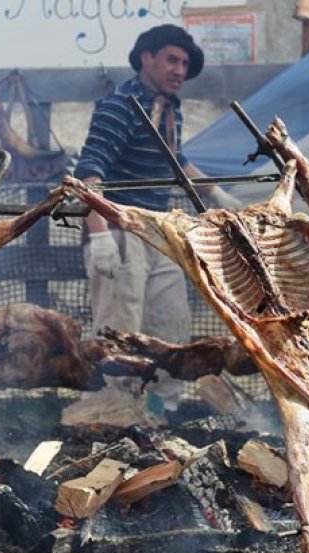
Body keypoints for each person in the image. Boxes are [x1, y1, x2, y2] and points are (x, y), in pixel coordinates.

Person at [71, 24, 236, 425]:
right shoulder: (121, 106)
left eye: (184, 63)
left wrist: (215, 195)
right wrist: (100, 238)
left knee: (171, 323)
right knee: (121, 328)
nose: (179, 69)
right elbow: (89, 174)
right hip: (120, 231)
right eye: (171, 59)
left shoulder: (169, 108)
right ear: (147, 58)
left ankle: (161, 415)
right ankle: (118, 417)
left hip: (159, 233)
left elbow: (175, 159)